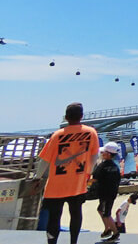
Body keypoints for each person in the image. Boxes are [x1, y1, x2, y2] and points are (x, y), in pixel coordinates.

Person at [37, 102, 100, 244]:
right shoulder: (91, 133)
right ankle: (74, 242)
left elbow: (44, 160)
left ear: (66, 117)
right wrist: (88, 173)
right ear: (82, 116)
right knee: (76, 213)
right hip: (77, 183)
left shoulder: (57, 135)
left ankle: (52, 242)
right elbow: (94, 156)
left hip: (56, 185)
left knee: (54, 217)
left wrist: (37, 177)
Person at [92, 142, 122, 241]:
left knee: (106, 213)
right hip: (112, 193)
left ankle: (115, 232)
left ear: (108, 154)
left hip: (105, 194)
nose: (101, 154)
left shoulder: (103, 166)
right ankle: (107, 228)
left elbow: (95, 178)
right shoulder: (115, 167)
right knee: (100, 210)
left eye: (103, 152)